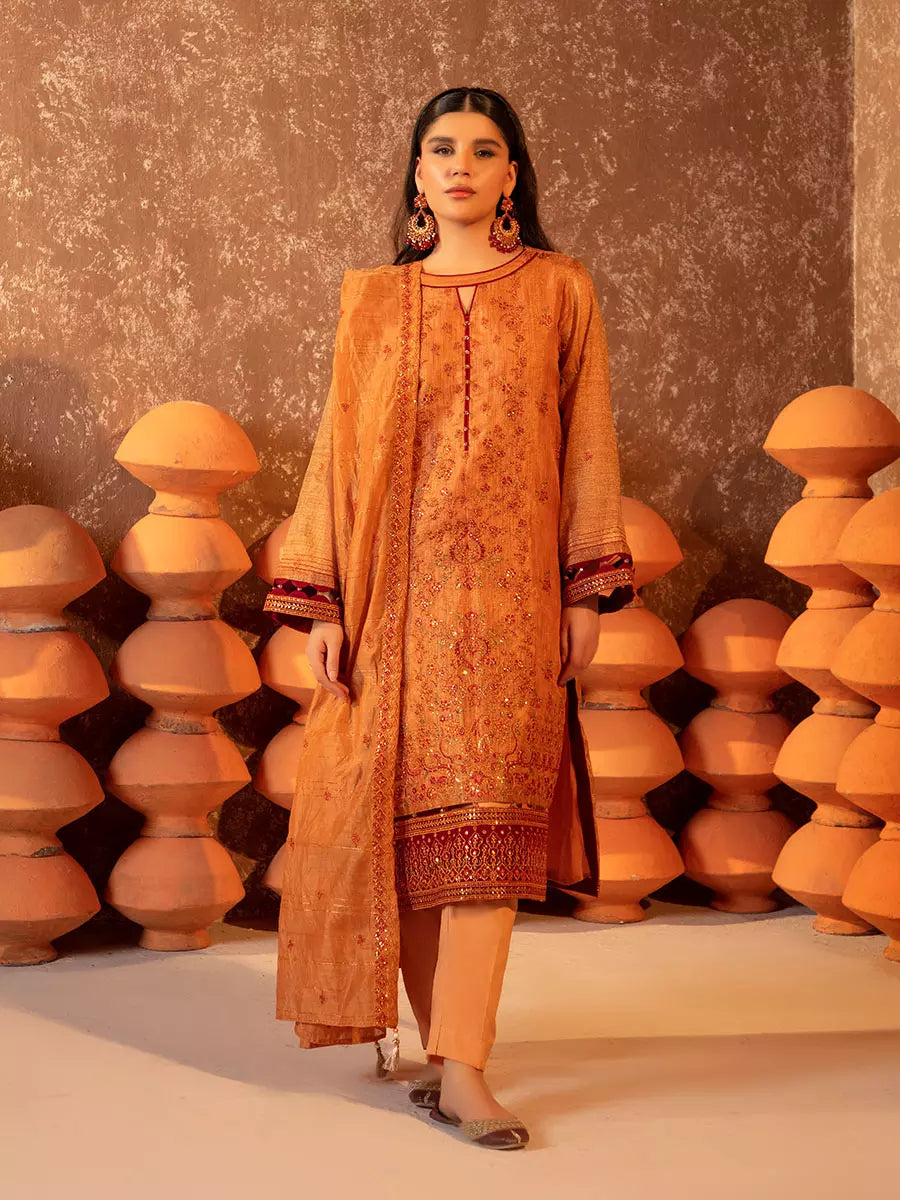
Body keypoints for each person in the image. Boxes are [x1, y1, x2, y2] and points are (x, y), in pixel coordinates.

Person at [263, 86, 635, 1151]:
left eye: (484, 149)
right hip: (395, 605)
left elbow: (589, 442)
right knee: (410, 840)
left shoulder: (561, 289)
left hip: (514, 606)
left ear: (512, 175)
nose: (462, 165)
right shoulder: (375, 302)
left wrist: (583, 588)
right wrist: (326, 602)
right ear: (418, 176)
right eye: (442, 149)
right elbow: (336, 453)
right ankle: (444, 1056)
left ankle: (466, 1068)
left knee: (491, 833)